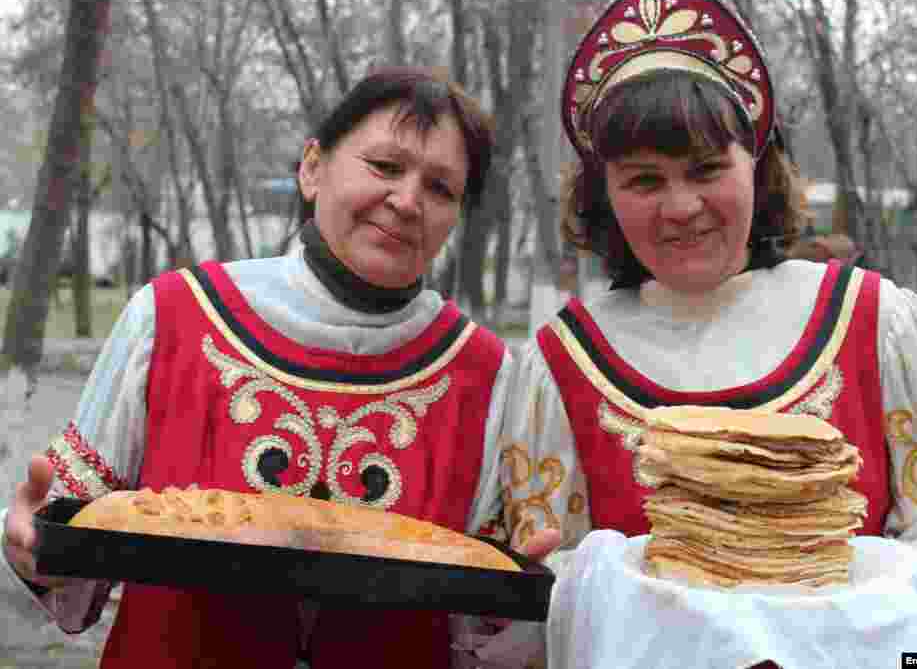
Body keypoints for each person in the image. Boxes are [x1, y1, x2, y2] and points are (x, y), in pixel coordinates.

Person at [493, 0, 917, 662]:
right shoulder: (559, 363)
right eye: (643, 180)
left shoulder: (874, 323)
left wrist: (870, 596)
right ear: (602, 196)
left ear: (759, 171)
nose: (681, 207)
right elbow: (544, 590)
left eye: (707, 169)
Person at [2, 66, 535, 668]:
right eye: (385, 167)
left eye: (441, 188)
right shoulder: (173, 318)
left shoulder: (486, 374)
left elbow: (481, 632)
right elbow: (72, 559)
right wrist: (32, 547)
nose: (408, 201)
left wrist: (525, 599)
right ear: (313, 167)